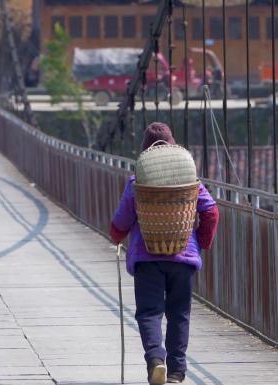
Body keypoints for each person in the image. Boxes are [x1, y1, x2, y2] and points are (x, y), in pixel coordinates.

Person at [109, 123, 219, 385]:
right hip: (183, 257)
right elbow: (212, 212)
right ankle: (177, 373)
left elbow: (120, 223)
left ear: (146, 151)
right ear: (173, 146)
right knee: (179, 313)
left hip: (147, 259)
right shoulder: (191, 182)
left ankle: (156, 361)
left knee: (149, 312)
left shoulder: (137, 182)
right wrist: (200, 243)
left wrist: (115, 237)